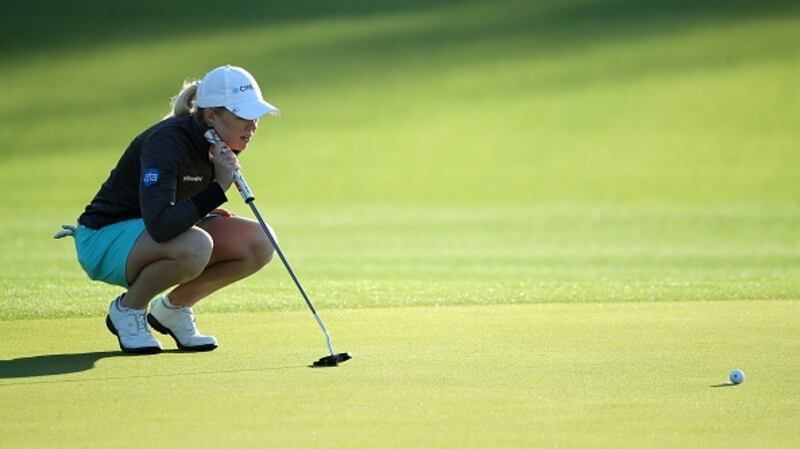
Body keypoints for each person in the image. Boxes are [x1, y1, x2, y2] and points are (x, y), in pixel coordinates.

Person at [65, 65, 280, 354]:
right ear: (210, 115)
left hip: (147, 233)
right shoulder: (167, 142)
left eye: (255, 115)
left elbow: (172, 209)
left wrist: (206, 210)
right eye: (242, 115)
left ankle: (174, 309)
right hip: (103, 239)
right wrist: (217, 190)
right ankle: (128, 309)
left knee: (261, 241)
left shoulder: (219, 141)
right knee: (196, 245)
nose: (252, 125)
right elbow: (162, 225)